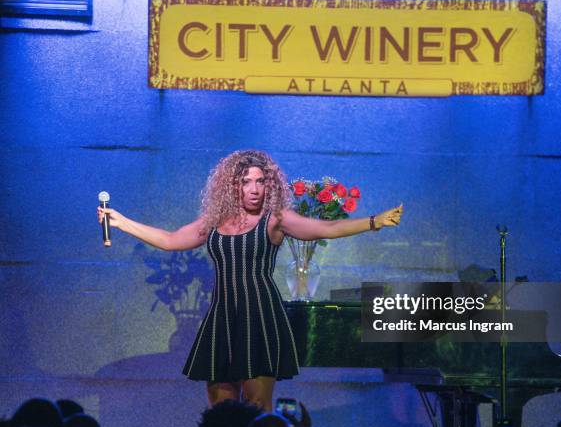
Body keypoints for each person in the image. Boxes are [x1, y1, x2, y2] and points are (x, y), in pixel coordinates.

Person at [97, 149, 403, 411]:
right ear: (233, 187)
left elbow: (327, 228)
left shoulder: (276, 219)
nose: (254, 189)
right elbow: (169, 239)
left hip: (260, 317)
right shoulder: (214, 221)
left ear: (269, 185)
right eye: (246, 182)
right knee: (222, 414)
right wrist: (120, 221)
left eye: (260, 181)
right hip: (222, 319)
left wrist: (374, 222)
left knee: (258, 410)